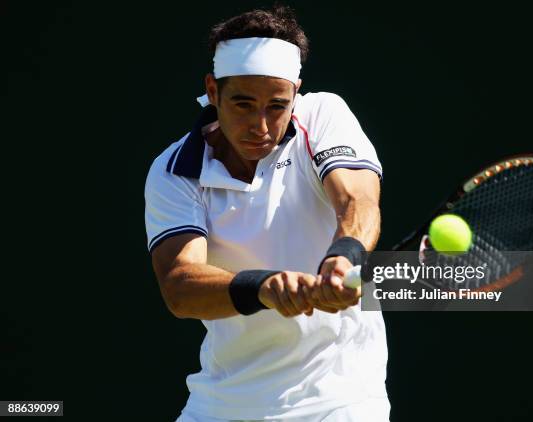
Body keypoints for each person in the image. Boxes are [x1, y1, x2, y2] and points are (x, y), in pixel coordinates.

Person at [144, 6, 389, 421]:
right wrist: (264, 286)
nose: (260, 125)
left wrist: (344, 255)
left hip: (341, 402)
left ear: (296, 92)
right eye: (243, 104)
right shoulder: (173, 171)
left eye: (277, 106)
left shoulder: (323, 114)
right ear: (213, 89)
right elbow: (180, 286)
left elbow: (357, 201)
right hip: (220, 405)